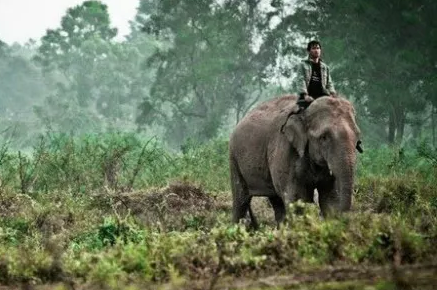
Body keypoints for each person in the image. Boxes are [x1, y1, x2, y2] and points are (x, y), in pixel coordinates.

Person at [297, 40, 336, 107]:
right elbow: (301, 80)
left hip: (323, 96)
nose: (316, 50)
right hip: (308, 96)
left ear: (320, 50)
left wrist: (332, 94)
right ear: (309, 51)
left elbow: (329, 82)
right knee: (299, 114)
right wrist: (305, 95)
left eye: (318, 48)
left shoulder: (325, 67)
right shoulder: (303, 65)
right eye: (313, 48)